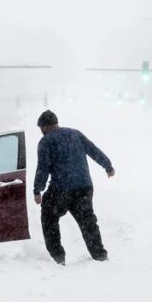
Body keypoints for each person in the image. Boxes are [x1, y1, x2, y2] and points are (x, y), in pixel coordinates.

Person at [33, 110, 115, 265]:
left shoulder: (45, 142)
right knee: (88, 222)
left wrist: (38, 190)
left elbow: (42, 168)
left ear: (47, 126)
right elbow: (93, 150)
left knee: (49, 217)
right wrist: (108, 165)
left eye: (41, 128)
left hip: (61, 189)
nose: (41, 132)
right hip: (84, 187)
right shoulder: (75, 134)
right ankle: (100, 255)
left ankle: (58, 257)